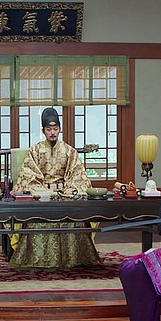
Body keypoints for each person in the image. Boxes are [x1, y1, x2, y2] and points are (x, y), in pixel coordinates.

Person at [9, 107, 100, 268]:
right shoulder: (35, 151)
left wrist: (66, 191)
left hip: (64, 195)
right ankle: (36, 259)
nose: (52, 132)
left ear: (60, 129)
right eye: (49, 129)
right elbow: (29, 177)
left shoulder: (69, 151)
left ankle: (76, 259)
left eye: (55, 129)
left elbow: (77, 176)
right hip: (42, 195)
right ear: (43, 130)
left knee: (75, 219)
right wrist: (44, 192)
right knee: (34, 219)